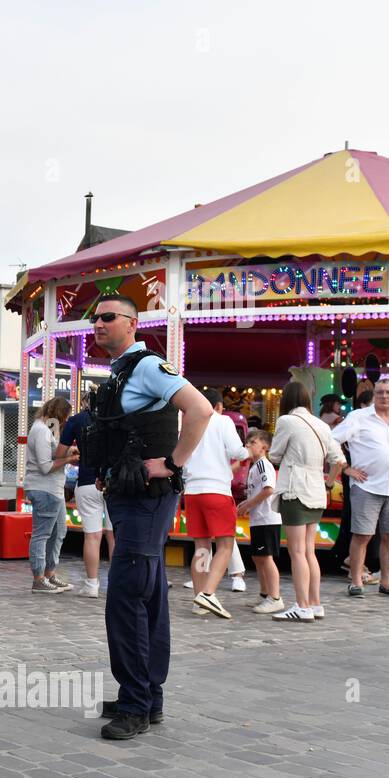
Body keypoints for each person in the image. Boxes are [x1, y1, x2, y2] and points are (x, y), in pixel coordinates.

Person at [83, 293, 212, 741]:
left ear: (132, 323)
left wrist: (173, 462)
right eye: (94, 319)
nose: (98, 324)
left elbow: (200, 410)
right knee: (148, 593)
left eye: (107, 318)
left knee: (127, 596)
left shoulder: (149, 367)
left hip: (146, 499)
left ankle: (137, 702)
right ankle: (146, 695)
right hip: (131, 497)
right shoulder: (122, 372)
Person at [268, 381, 345, 622]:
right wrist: (329, 483)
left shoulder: (287, 421)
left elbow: (275, 455)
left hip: (295, 488)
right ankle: (315, 603)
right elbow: (339, 460)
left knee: (297, 552)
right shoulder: (321, 424)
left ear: (286, 400)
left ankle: (302, 606)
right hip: (316, 490)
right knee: (309, 551)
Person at [331, 378, 389, 599]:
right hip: (366, 486)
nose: (384, 396)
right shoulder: (358, 418)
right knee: (362, 535)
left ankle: (387, 582)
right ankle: (355, 582)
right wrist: (346, 468)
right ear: (374, 395)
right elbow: (331, 440)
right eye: (380, 392)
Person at [181, 387, 250, 619]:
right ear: (219, 406)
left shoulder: (188, 421)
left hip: (192, 491)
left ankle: (199, 599)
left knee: (201, 548)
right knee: (225, 545)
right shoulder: (223, 422)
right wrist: (248, 449)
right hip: (217, 490)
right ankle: (209, 593)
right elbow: (237, 452)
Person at [58, 403, 114, 598]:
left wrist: (74, 454)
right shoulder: (115, 415)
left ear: (83, 404)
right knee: (114, 535)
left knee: (92, 536)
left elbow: (59, 452)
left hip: (87, 481)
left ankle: (91, 585)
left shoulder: (76, 420)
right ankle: (116, 583)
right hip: (113, 482)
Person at [24, 396, 76, 593]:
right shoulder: (41, 431)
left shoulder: (49, 427)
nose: (65, 422)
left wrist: (69, 451)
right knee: (42, 534)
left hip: (54, 488)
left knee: (59, 531)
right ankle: (38, 578)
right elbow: (46, 466)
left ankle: (49, 574)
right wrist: (70, 458)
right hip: (43, 487)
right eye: (65, 417)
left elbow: (55, 450)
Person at [237, 429, 284, 614]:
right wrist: (247, 503)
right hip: (259, 519)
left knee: (266, 557)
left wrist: (248, 504)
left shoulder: (263, 465)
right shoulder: (254, 466)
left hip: (267, 518)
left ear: (265, 447)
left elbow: (268, 489)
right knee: (258, 557)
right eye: (247, 442)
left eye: (253, 442)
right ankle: (265, 594)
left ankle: (275, 597)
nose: (248, 445)